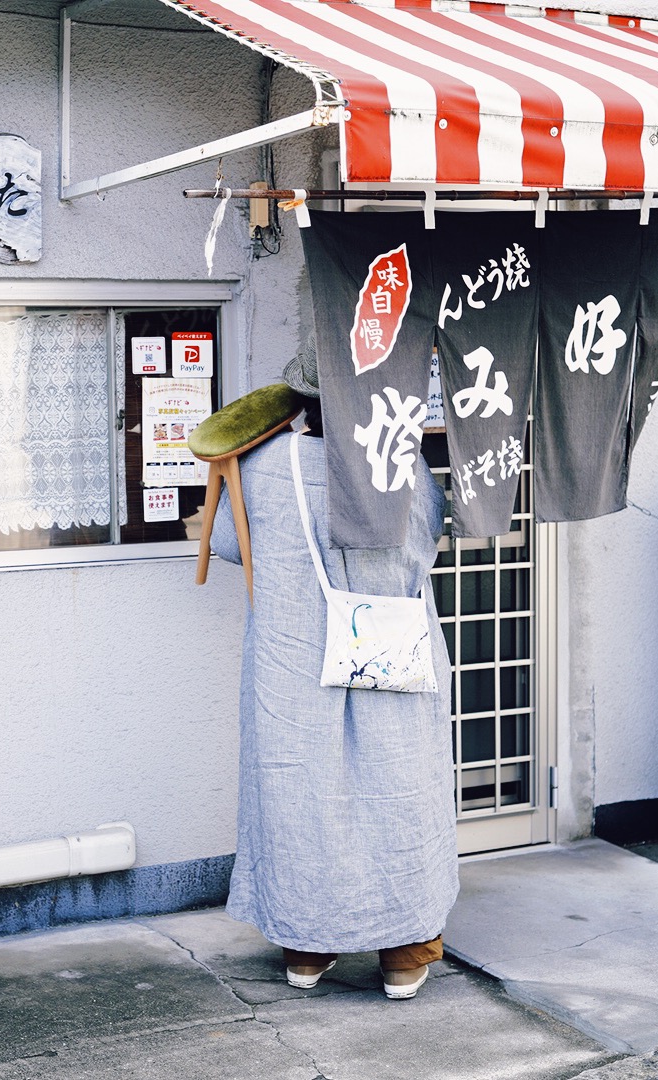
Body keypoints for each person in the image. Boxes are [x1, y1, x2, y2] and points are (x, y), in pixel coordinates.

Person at [207, 349, 457, 1000]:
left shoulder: (261, 467)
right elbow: (426, 545)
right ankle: (404, 956)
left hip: (292, 666)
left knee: (302, 799)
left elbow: (230, 545)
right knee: (400, 793)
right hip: (390, 658)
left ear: (305, 402)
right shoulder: (400, 465)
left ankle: (306, 952)